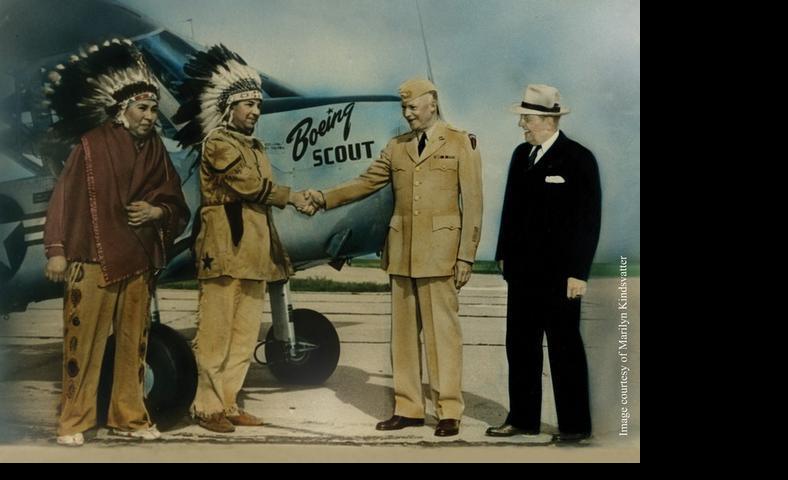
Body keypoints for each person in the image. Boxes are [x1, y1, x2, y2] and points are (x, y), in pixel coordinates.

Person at [304, 78, 482, 438]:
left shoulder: (461, 142)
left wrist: (466, 257)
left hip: (441, 255)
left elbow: (474, 205)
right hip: (402, 255)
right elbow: (364, 182)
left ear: (432, 103)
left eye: (413, 107)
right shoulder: (396, 148)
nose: (407, 113)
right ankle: (408, 408)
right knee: (402, 340)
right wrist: (324, 197)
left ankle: (448, 411)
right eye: (404, 108)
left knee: (442, 337)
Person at [42, 39, 190, 446]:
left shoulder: (157, 149)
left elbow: (174, 199)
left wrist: (158, 213)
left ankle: (129, 416)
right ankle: (73, 421)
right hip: (91, 258)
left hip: (139, 258)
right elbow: (62, 199)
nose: (149, 115)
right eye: (142, 108)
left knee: (133, 347)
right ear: (121, 112)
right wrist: (56, 251)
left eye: (154, 108)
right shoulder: (90, 146)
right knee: (82, 347)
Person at [172, 44, 315, 434]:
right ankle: (205, 407)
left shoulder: (252, 144)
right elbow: (249, 186)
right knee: (216, 334)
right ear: (229, 108)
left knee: (243, 334)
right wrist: (291, 196)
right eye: (247, 104)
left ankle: (229, 402)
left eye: (257, 105)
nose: (254, 111)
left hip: (253, 254)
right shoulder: (218, 142)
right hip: (223, 252)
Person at [486, 84, 601, 444]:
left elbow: (588, 221)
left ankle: (575, 425)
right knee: (519, 345)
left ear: (550, 120)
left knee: (564, 346)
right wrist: (502, 253)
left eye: (528, 118)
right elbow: (509, 210)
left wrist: (578, 273)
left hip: (560, 276)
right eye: (523, 118)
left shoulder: (579, 159)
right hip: (522, 273)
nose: (522, 124)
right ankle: (522, 418)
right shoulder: (521, 155)